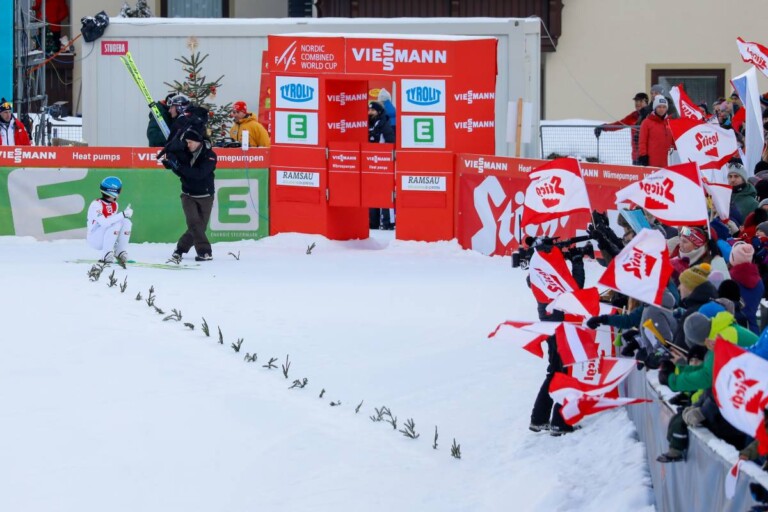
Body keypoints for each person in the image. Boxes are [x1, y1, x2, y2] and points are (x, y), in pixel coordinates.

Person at [160, 128, 217, 262]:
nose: (188, 145)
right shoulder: (185, 153)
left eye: (190, 142)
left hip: (205, 195)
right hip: (188, 195)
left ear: (198, 142)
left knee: (199, 227)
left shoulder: (210, 155)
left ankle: (179, 249)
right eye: (186, 142)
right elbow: (183, 174)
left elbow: (199, 174)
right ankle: (204, 251)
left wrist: (178, 167)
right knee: (194, 223)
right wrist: (173, 165)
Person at [86, 176, 133, 266]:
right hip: (94, 239)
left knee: (126, 222)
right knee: (116, 223)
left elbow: (112, 224)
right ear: (113, 191)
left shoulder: (115, 204)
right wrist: (123, 214)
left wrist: (124, 217)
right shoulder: (96, 205)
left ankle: (120, 252)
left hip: (104, 236)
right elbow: (104, 223)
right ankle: (105, 255)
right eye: (119, 190)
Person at [595, 92, 648, 165]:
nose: (638, 103)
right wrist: (603, 127)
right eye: (636, 101)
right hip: (636, 157)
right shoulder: (633, 116)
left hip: (647, 156)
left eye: (641, 101)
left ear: (646, 102)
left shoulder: (650, 115)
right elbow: (619, 124)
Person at [368, 101, 396, 230]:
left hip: (384, 163)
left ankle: (387, 222)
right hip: (370, 162)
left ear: (378, 111)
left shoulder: (384, 122)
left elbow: (390, 141)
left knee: (385, 192)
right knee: (372, 192)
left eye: (372, 111)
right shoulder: (368, 122)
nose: (370, 113)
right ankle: (372, 222)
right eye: (369, 110)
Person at [638, 96, 674, 167]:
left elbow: (673, 141)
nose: (662, 109)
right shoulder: (647, 123)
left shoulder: (670, 122)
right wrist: (643, 155)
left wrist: (675, 152)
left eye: (664, 107)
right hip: (653, 161)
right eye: (659, 107)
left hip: (668, 161)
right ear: (655, 108)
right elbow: (642, 141)